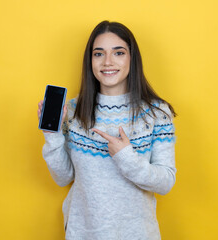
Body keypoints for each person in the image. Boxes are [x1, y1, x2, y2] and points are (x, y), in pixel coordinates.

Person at [37, 20, 177, 240]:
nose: (108, 62)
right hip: (82, 233)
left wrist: (125, 157)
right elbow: (64, 178)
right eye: (98, 54)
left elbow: (165, 182)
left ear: (132, 58)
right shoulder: (73, 111)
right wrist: (52, 136)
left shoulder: (156, 113)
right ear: (90, 60)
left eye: (119, 53)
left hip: (138, 234)